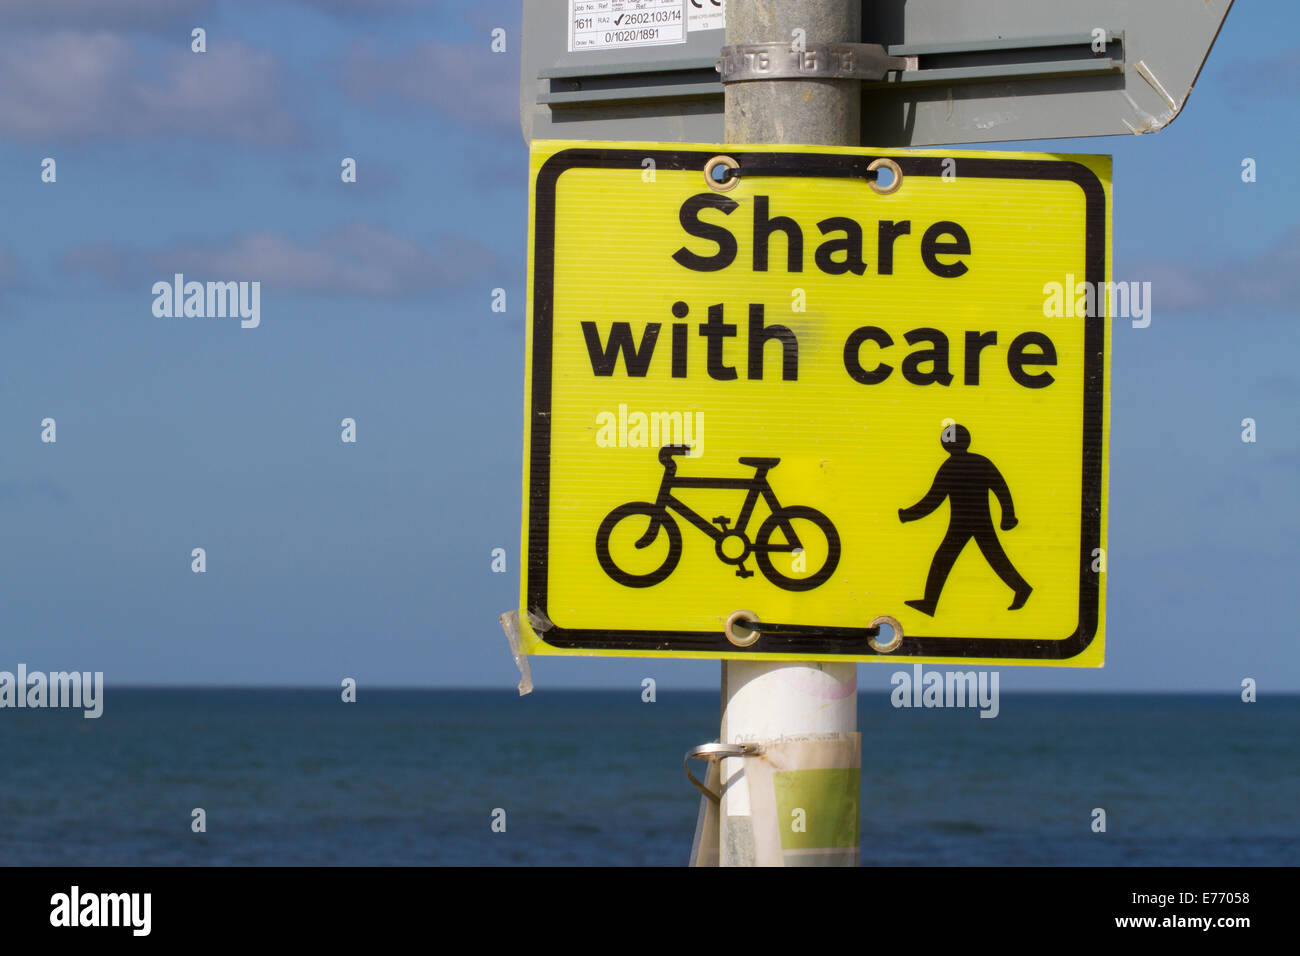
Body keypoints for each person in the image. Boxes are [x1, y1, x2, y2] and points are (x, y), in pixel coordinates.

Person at [898, 424, 1031, 616]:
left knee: (950, 559)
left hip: (966, 523)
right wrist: (1008, 516)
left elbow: (933, 499)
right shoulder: (980, 462)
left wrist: (907, 515)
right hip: (973, 521)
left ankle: (930, 602)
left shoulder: (951, 466)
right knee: (982, 558)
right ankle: (930, 602)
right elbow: (1001, 490)